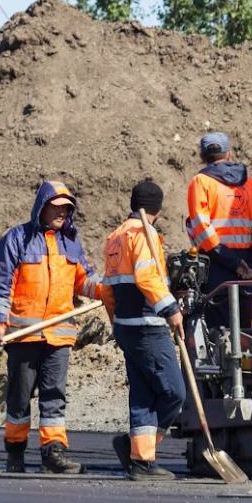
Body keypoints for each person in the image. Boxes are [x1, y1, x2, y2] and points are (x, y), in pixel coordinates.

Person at [0, 180, 104, 474]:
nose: (62, 213)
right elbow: (2, 285)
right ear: (42, 206)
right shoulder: (17, 239)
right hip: (24, 334)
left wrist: (109, 291)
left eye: (67, 208)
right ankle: (15, 451)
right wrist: (0, 322)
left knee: (55, 396)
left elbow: (84, 281)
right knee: (19, 397)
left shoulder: (70, 243)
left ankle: (54, 452)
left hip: (59, 334)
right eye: (57, 207)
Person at [102, 179, 186, 481]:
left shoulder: (114, 237)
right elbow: (148, 278)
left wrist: (116, 324)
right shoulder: (144, 234)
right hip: (148, 327)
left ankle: (139, 458)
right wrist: (171, 309)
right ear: (158, 210)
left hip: (126, 327)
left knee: (142, 394)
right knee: (174, 392)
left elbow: (107, 290)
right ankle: (141, 453)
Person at [186, 132, 252, 329]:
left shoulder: (200, 182)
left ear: (202, 156)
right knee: (244, 334)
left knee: (219, 335)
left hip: (217, 265)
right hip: (248, 269)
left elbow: (202, 229)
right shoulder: (251, 184)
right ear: (229, 154)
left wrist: (234, 263)